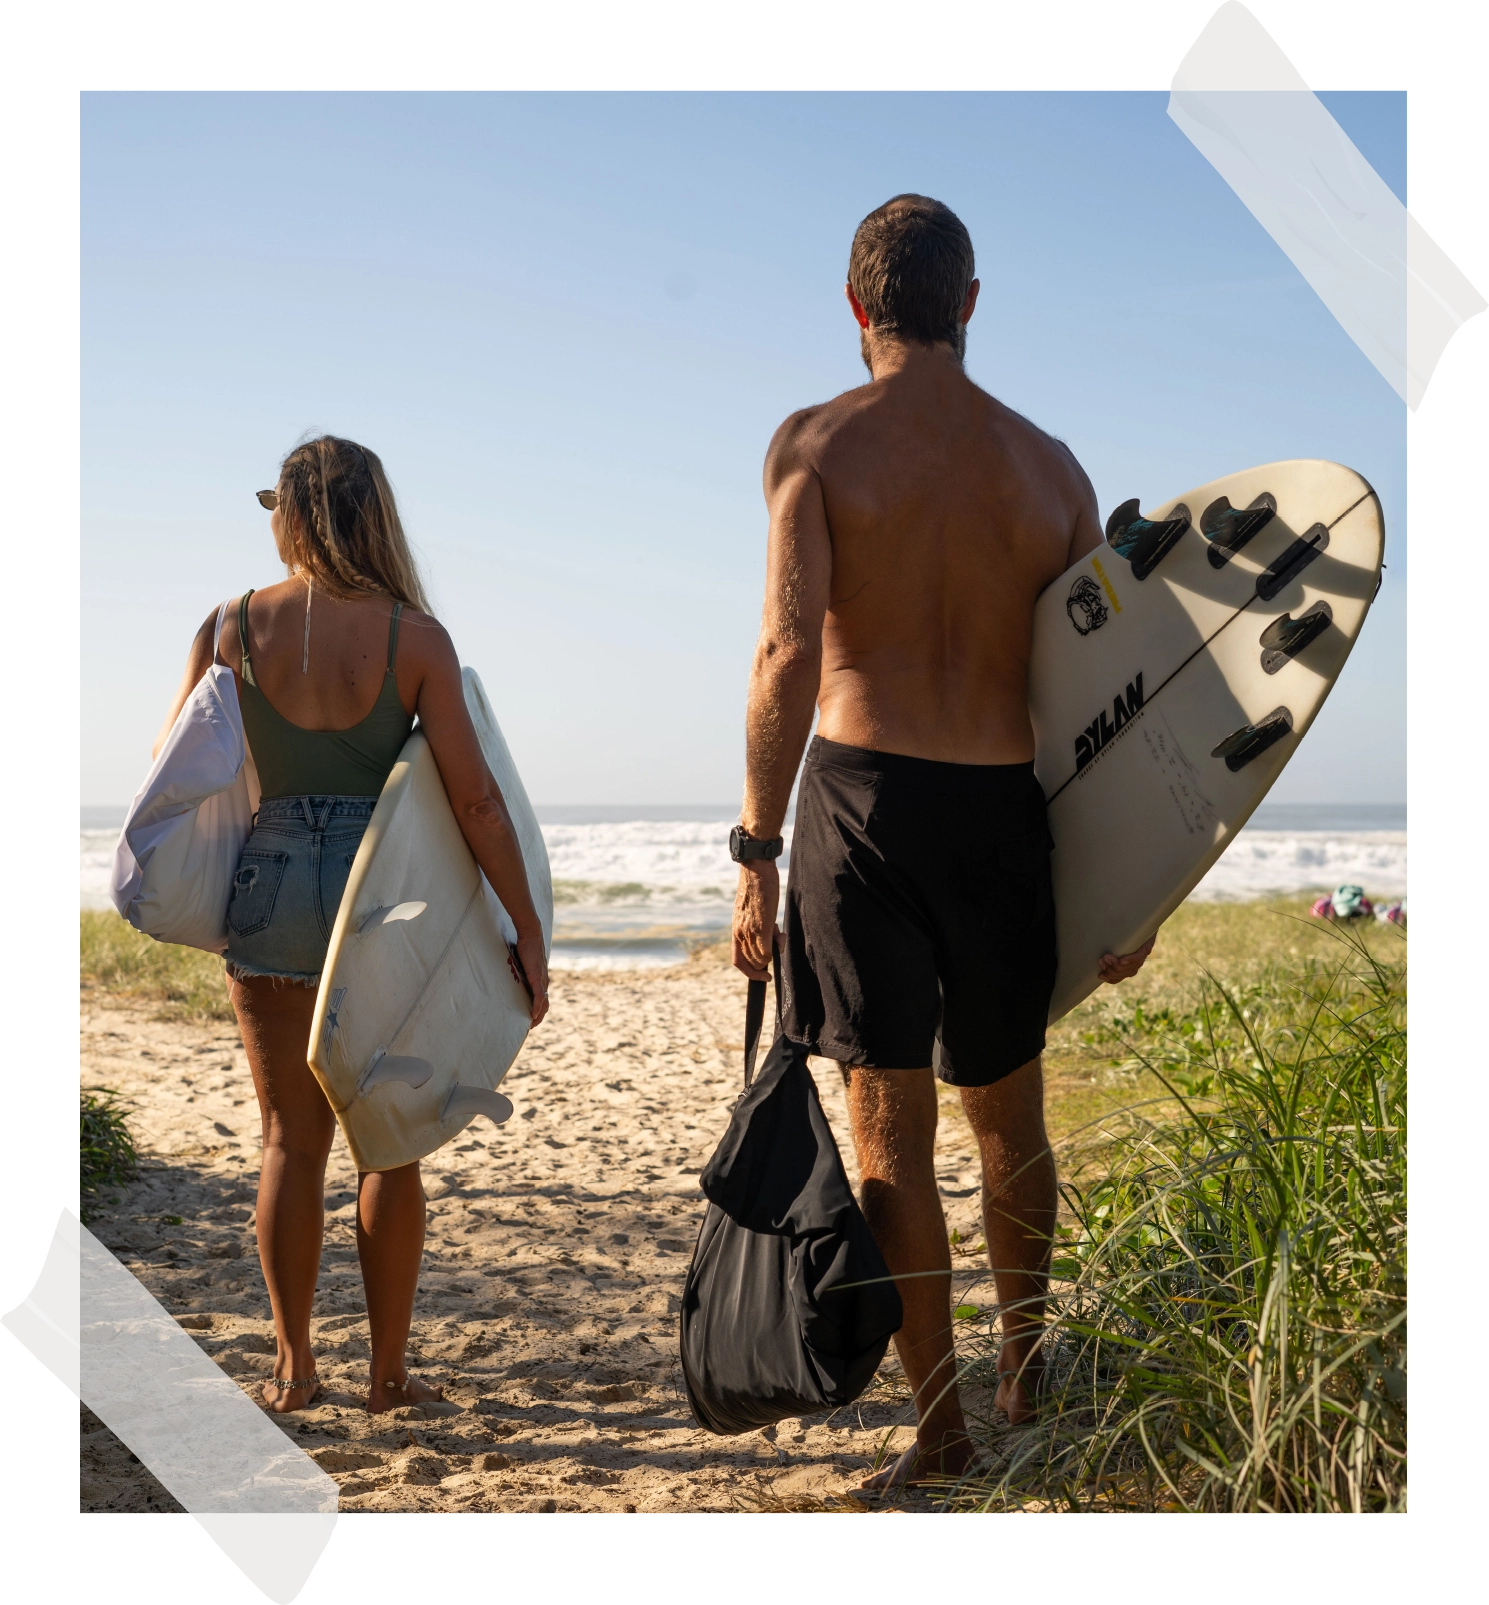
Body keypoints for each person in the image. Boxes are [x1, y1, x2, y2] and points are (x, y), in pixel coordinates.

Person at [730, 196, 1153, 1490]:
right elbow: (1108, 704)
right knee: (1009, 1122)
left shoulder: (814, 444)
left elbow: (789, 654)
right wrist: (1135, 886)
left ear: (855, 308)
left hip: (863, 808)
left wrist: (755, 847)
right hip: (1001, 813)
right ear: (970, 303)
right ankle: (1024, 1365)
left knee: (888, 1142)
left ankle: (944, 1432)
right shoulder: (1054, 469)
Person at [154, 436, 549, 1413]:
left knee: (290, 1138)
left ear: (289, 517)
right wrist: (525, 927)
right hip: (384, 900)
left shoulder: (227, 628)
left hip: (274, 876)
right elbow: (477, 803)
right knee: (390, 1142)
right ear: (375, 514)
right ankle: (388, 1379)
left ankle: (294, 1371)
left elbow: (176, 770)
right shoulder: (414, 639)